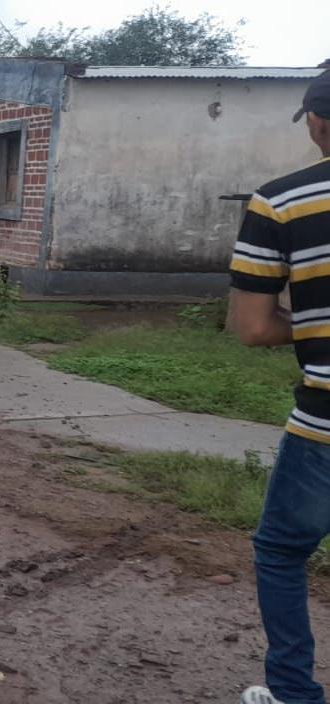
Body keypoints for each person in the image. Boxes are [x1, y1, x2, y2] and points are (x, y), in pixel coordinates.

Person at [232, 69, 330, 704]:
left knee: (281, 551)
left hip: (324, 427)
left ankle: (294, 692)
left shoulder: (281, 202)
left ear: (317, 123)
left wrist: (314, 323)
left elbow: (252, 327)